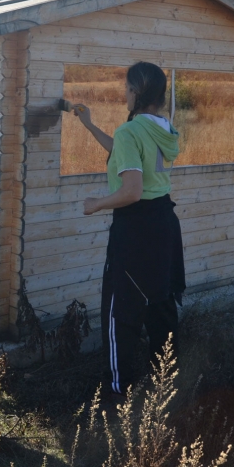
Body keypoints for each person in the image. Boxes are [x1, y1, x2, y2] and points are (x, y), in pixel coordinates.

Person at [74, 62, 185, 398]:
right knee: (160, 305)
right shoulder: (162, 127)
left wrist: (97, 203)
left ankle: (117, 392)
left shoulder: (131, 131)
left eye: (127, 88)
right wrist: (91, 127)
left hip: (135, 229)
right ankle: (166, 380)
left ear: (137, 92)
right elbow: (127, 155)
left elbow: (132, 191)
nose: (124, 93)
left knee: (121, 311)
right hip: (164, 224)